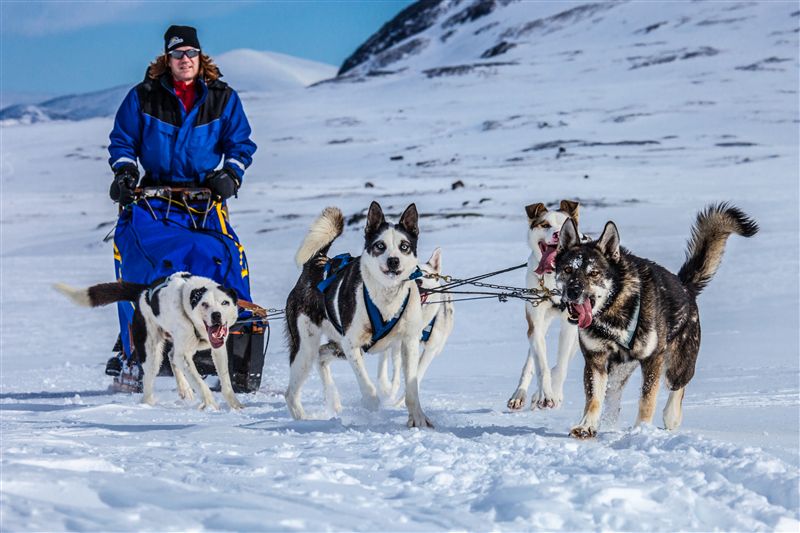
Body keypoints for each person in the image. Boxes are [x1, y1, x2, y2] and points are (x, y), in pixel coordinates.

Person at [105, 25, 258, 391]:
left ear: (200, 57)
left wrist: (231, 176)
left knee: (223, 257)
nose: (184, 60)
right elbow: (123, 141)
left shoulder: (222, 99)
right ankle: (136, 350)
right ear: (167, 59)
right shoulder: (143, 97)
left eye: (190, 53)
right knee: (141, 265)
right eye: (177, 55)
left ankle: (229, 345)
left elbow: (241, 145)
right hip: (153, 202)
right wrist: (125, 173)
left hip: (203, 202)